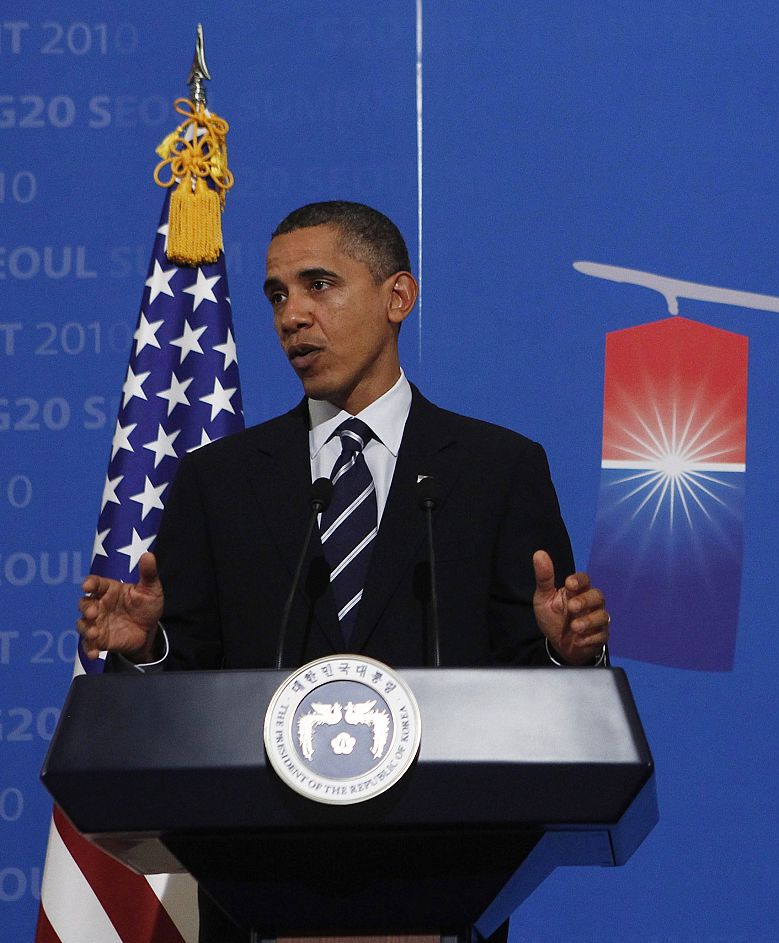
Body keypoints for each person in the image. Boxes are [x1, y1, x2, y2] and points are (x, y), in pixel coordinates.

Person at [75, 201, 610, 940]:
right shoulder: (218, 480)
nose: (292, 315)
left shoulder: (499, 471)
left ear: (399, 297)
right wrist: (148, 647)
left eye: (319, 284)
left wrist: (564, 651)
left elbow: (536, 699)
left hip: (440, 886)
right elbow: (183, 696)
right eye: (277, 294)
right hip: (260, 893)